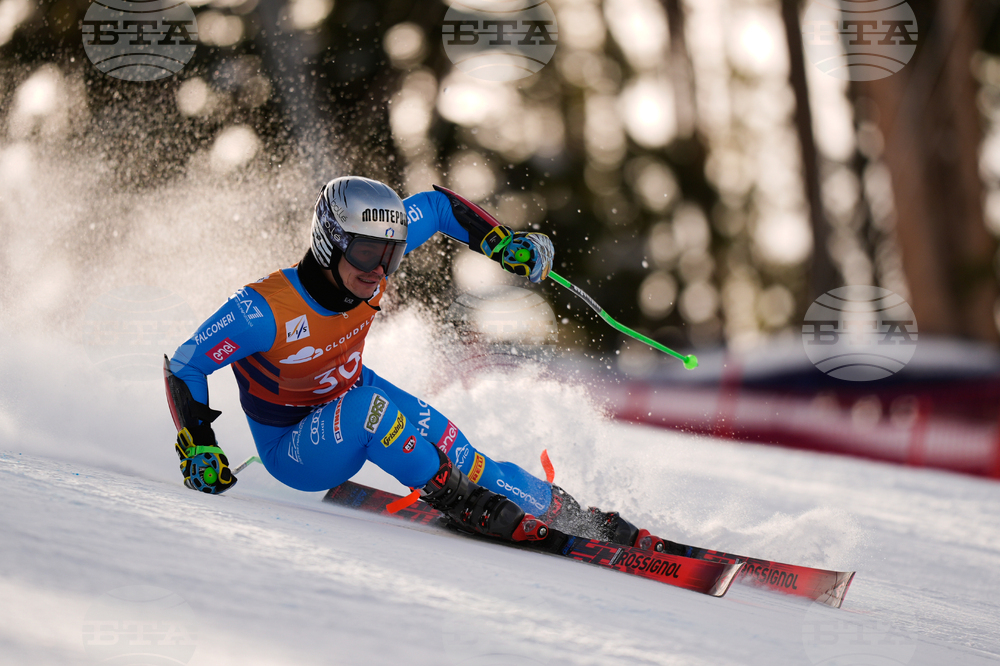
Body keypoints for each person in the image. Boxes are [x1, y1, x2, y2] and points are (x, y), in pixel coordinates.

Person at [164, 176, 664, 549]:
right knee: (369, 409)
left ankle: (566, 512)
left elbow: (440, 207)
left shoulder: (370, 257)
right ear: (329, 241)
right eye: (365, 253)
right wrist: (200, 449)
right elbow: (186, 365)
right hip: (294, 447)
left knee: (455, 447)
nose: (379, 270)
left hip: (351, 397)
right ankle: (459, 501)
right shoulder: (261, 311)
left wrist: (503, 243)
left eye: (392, 254)